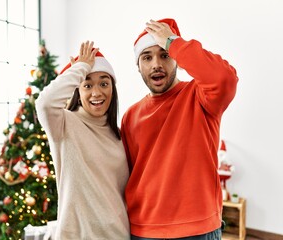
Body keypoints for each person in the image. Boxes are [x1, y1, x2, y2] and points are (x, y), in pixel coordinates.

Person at [120, 18, 238, 240]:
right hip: (143, 230)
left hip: (197, 229)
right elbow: (125, 175)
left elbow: (225, 78)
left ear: (176, 60)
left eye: (164, 55)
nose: (156, 64)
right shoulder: (130, 116)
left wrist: (174, 43)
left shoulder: (200, 97)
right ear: (138, 66)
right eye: (147, 57)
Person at [35, 41, 130, 239]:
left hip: (117, 235)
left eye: (104, 83)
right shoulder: (63, 124)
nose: (97, 93)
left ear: (113, 89)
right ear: (78, 91)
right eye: (87, 85)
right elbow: (44, 103)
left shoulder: (119, 135)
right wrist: (81, 67)